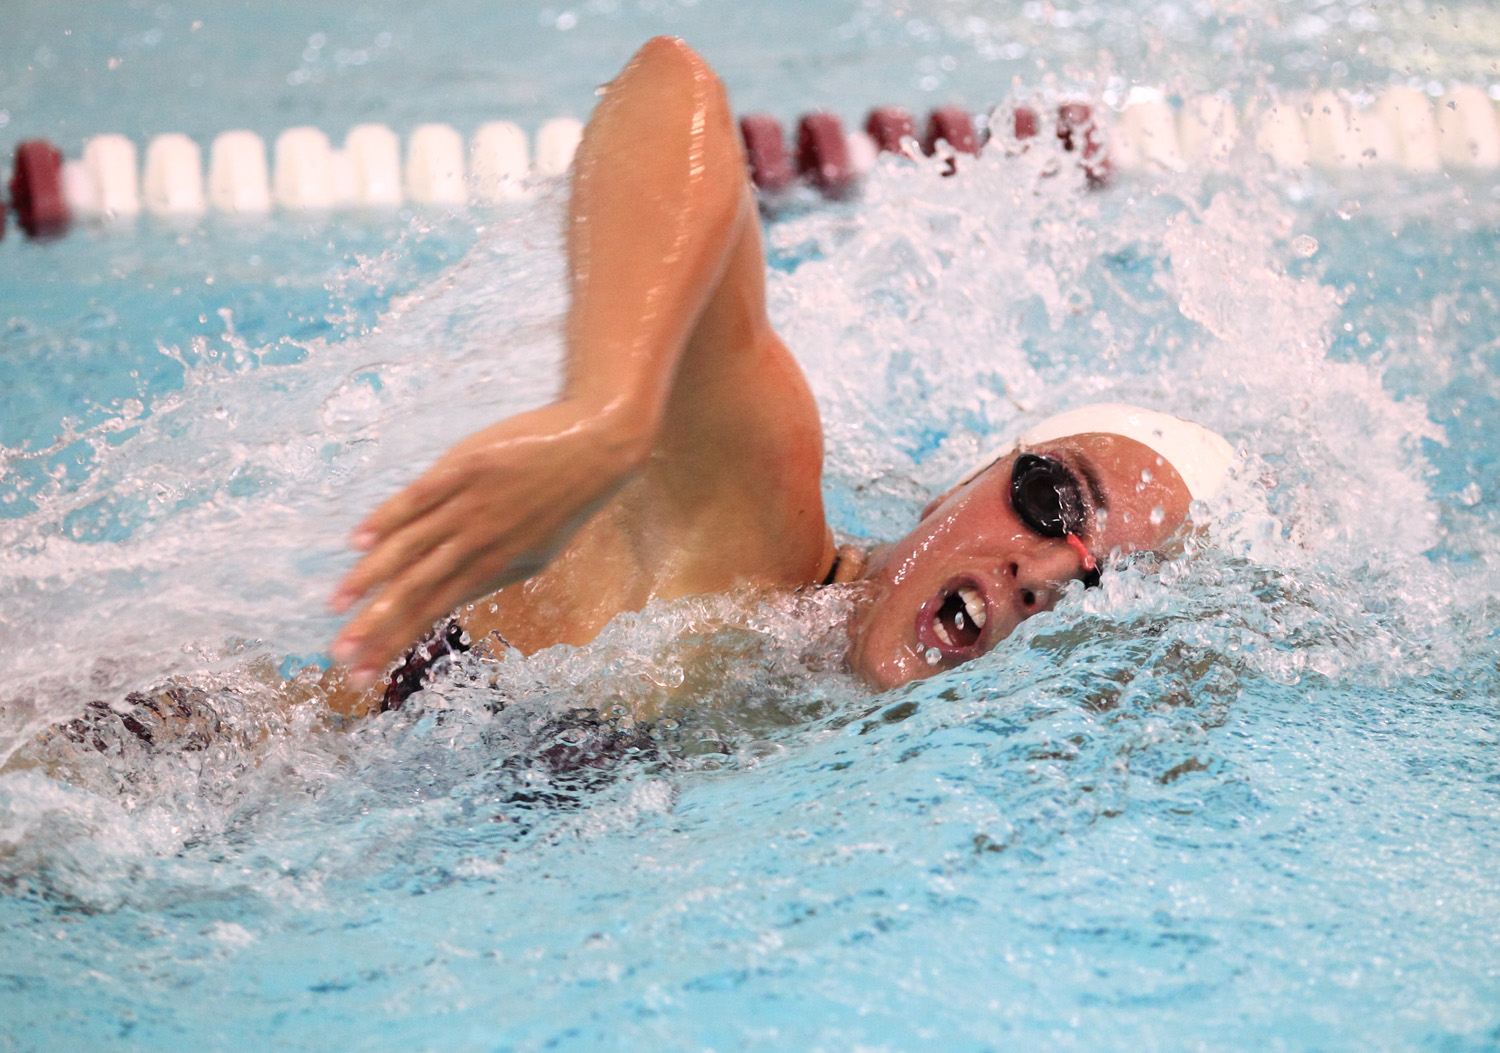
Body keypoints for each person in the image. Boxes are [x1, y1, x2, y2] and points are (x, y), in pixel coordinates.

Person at [325, 37, 1233, 707]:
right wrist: (609, 414)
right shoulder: (749, 536)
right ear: (959, 484)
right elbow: (673, 91)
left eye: (1099, 585)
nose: (1044, 575)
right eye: (1051, 501)